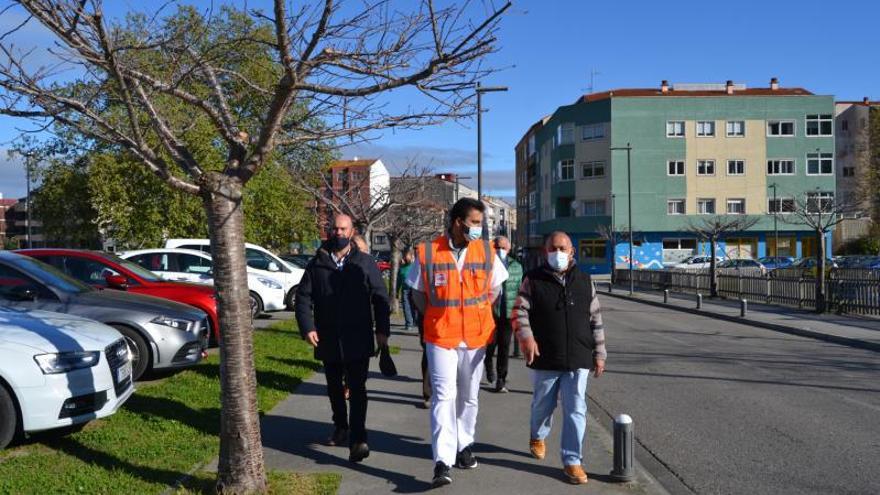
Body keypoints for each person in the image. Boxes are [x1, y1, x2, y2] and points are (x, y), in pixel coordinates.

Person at [408, 198, 508, 487]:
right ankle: (442, 460)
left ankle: (464, 444)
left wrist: (476, 315)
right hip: (441, 337)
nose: (479, 228)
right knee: (443, 396)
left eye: (480, 223)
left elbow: (495, 291)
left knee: (469, 396)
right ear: (457, 222)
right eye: (475, 223)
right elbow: (416, 292)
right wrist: (438, 317)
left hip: (476, 338)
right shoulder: (428, 253)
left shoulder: (487, 252)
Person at [512, 231, 607, 485]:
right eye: (553, 249)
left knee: (576, 409)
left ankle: (572, 461)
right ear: (545, 252)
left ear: (572, 251)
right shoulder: (533, 279)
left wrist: (600, 353)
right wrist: (527, 338)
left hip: (578, 356)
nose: (558, 253)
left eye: (563, 248)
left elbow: (595, 319)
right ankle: (538, 434)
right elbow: (519, 312)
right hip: (545, 357)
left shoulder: (585, 281)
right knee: (543, 405)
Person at [295, 214, 391, 463]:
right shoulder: (317, 263)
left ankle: (358, 438)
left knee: (358, 389)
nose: (338, 232)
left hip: (358, 336)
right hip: (327, 337)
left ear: (352, 231)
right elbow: (303, 297)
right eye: (334, 228)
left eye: (343, 229)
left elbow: (380, 298)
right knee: (334, 387)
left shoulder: (365, 262)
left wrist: (382, 331)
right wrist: (308, 327)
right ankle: (341, 426)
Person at [483, 236, 523, 393]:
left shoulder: (516, 266)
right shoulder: (487, 264)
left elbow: (520, 289)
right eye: (498, 247)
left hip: (508, 313)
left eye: (504, 248)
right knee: (491, 345)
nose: (501, 250)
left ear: (509, 248)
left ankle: (501, 379)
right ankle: (488, 365)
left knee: (505, 346)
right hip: (491, 312)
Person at [397, 249, 416, 331]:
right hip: (405, 288)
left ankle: (414, 321)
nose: (405, 257)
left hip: (414, 288)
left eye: (406, 256)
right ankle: (409, 323)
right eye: (404, 256)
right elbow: (399, 280)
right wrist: (397, 291)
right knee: (406, 306)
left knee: (414, 306)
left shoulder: (414, 265)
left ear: (412, 257)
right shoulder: (402, 267)